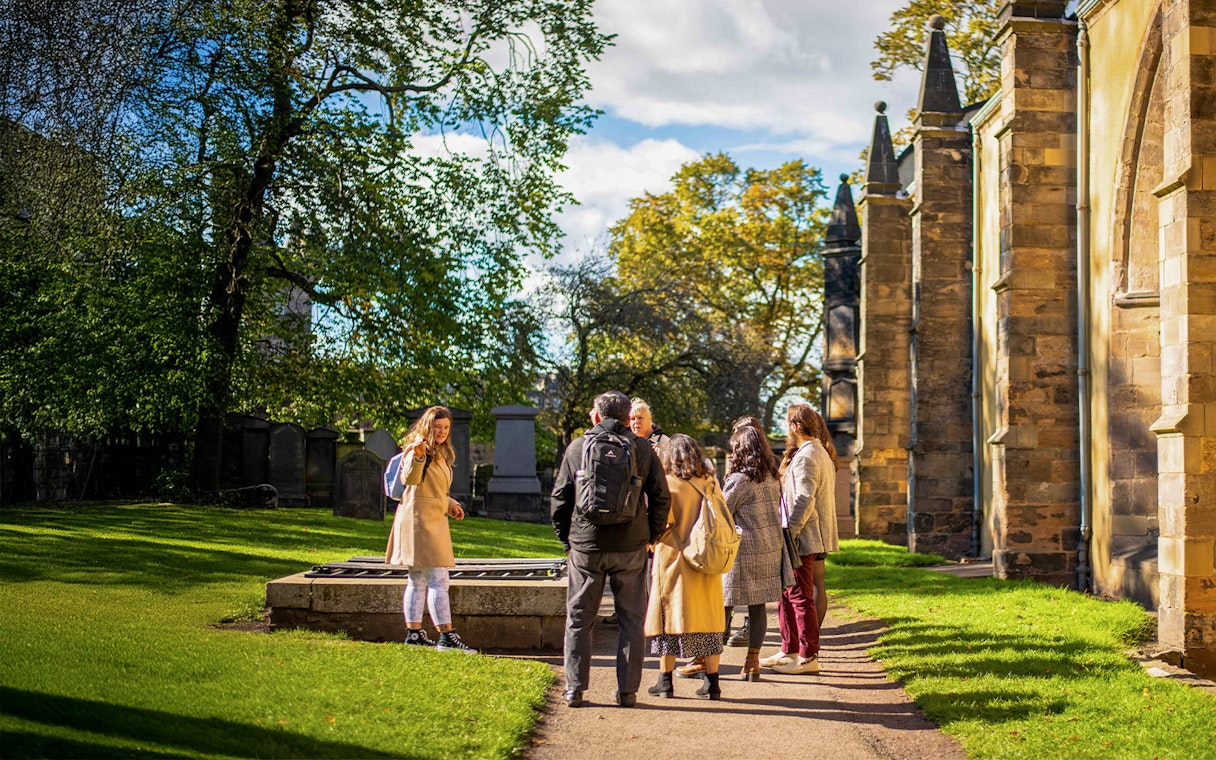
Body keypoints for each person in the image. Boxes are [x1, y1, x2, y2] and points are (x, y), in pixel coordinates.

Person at [551, 390, 671, 708]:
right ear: (626, 417)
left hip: (586, 546)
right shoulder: (643, 448)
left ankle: (575, 689)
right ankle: (628, 691)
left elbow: (560, 498)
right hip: (630, 546)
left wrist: (567, 539)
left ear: (595, 417)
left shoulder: (577, 447)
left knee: (579, 618)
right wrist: (653, 535)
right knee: (632, 619)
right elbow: (661, 496)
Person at [384, 405, 475, 653]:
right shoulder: (416, 450)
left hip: (429, 518)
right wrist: (419, 456)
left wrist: (451, 503)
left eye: (446, 427)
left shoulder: (441, 453)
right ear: (427, 426)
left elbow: (432, 490)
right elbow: (410, 480)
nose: (442, 431)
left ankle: (414, 635)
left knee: (418, 579)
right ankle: (446, 637)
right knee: (438, 579)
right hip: (420, 522)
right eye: (437, 427)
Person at [645, 434, 728, 700]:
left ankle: (665, 681)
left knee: (668, 621)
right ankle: (712, 684)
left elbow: (662, 521)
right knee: (708, 623)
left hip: (675, 559)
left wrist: (651, 542)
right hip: (706, 560)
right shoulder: (711, 483)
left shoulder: (668, 485)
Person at [762, 403, 838, 675]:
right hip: (801, 534)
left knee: (799, 595)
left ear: (794, 426)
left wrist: (790, 532)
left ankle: (807, 657)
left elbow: (805, 498)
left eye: (787, 423)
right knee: (787, 594)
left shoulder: (808, 455)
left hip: (801, 536)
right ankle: (789, 649)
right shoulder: (816, 451)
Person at [720, 423, 788, 680]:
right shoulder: (772, 477)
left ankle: (708, 660)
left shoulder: (739, 481)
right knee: (758, 606)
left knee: (725, 604)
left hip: (742, 550)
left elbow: (722, 512)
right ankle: (752, 662)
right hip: (770, 547)